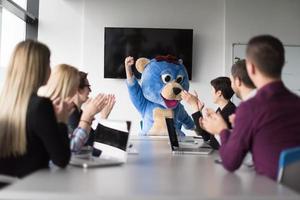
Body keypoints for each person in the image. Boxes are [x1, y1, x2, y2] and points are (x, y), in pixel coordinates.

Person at [201, 35, 300, 180]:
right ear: (282, 64)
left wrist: (221, 130)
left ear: (251, 68)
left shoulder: (250, 108)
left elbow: (230, 162)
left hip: (269, 191)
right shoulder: (296, 103)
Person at [0, 40, 72, 178]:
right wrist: (62, 121)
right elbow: (61, 159)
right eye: (48, 63)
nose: (51, 69)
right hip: (32, 190)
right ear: (39, 68)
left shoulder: (4, 103)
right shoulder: (41, 105)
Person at [38, 66, 108, 152]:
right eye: (88, 86)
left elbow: (92, 140)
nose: (90, 90)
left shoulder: (77, 112)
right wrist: (88, 117)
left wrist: (99, 117)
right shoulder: (68, 113)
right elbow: (80, 148)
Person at [181, 77, 236, 149]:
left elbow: (215, 142)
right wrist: (198, 110)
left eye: (212, 90)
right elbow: (206, 136)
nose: (211, 93)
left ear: (219, 93)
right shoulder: (222, 110)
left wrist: (194, 106)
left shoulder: (229, 111)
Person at [68, 71, 116, 148]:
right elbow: (93, 145)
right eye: (88, 87)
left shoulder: (79, 112)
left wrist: (104, 116)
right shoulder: (72, 114)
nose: (90, 91)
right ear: (78, 89)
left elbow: (94, 139)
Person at [229, 59, 256, 126]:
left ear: (238, 81)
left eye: (232, 81)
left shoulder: (247, 107)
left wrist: (220, 130)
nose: (231, 86)